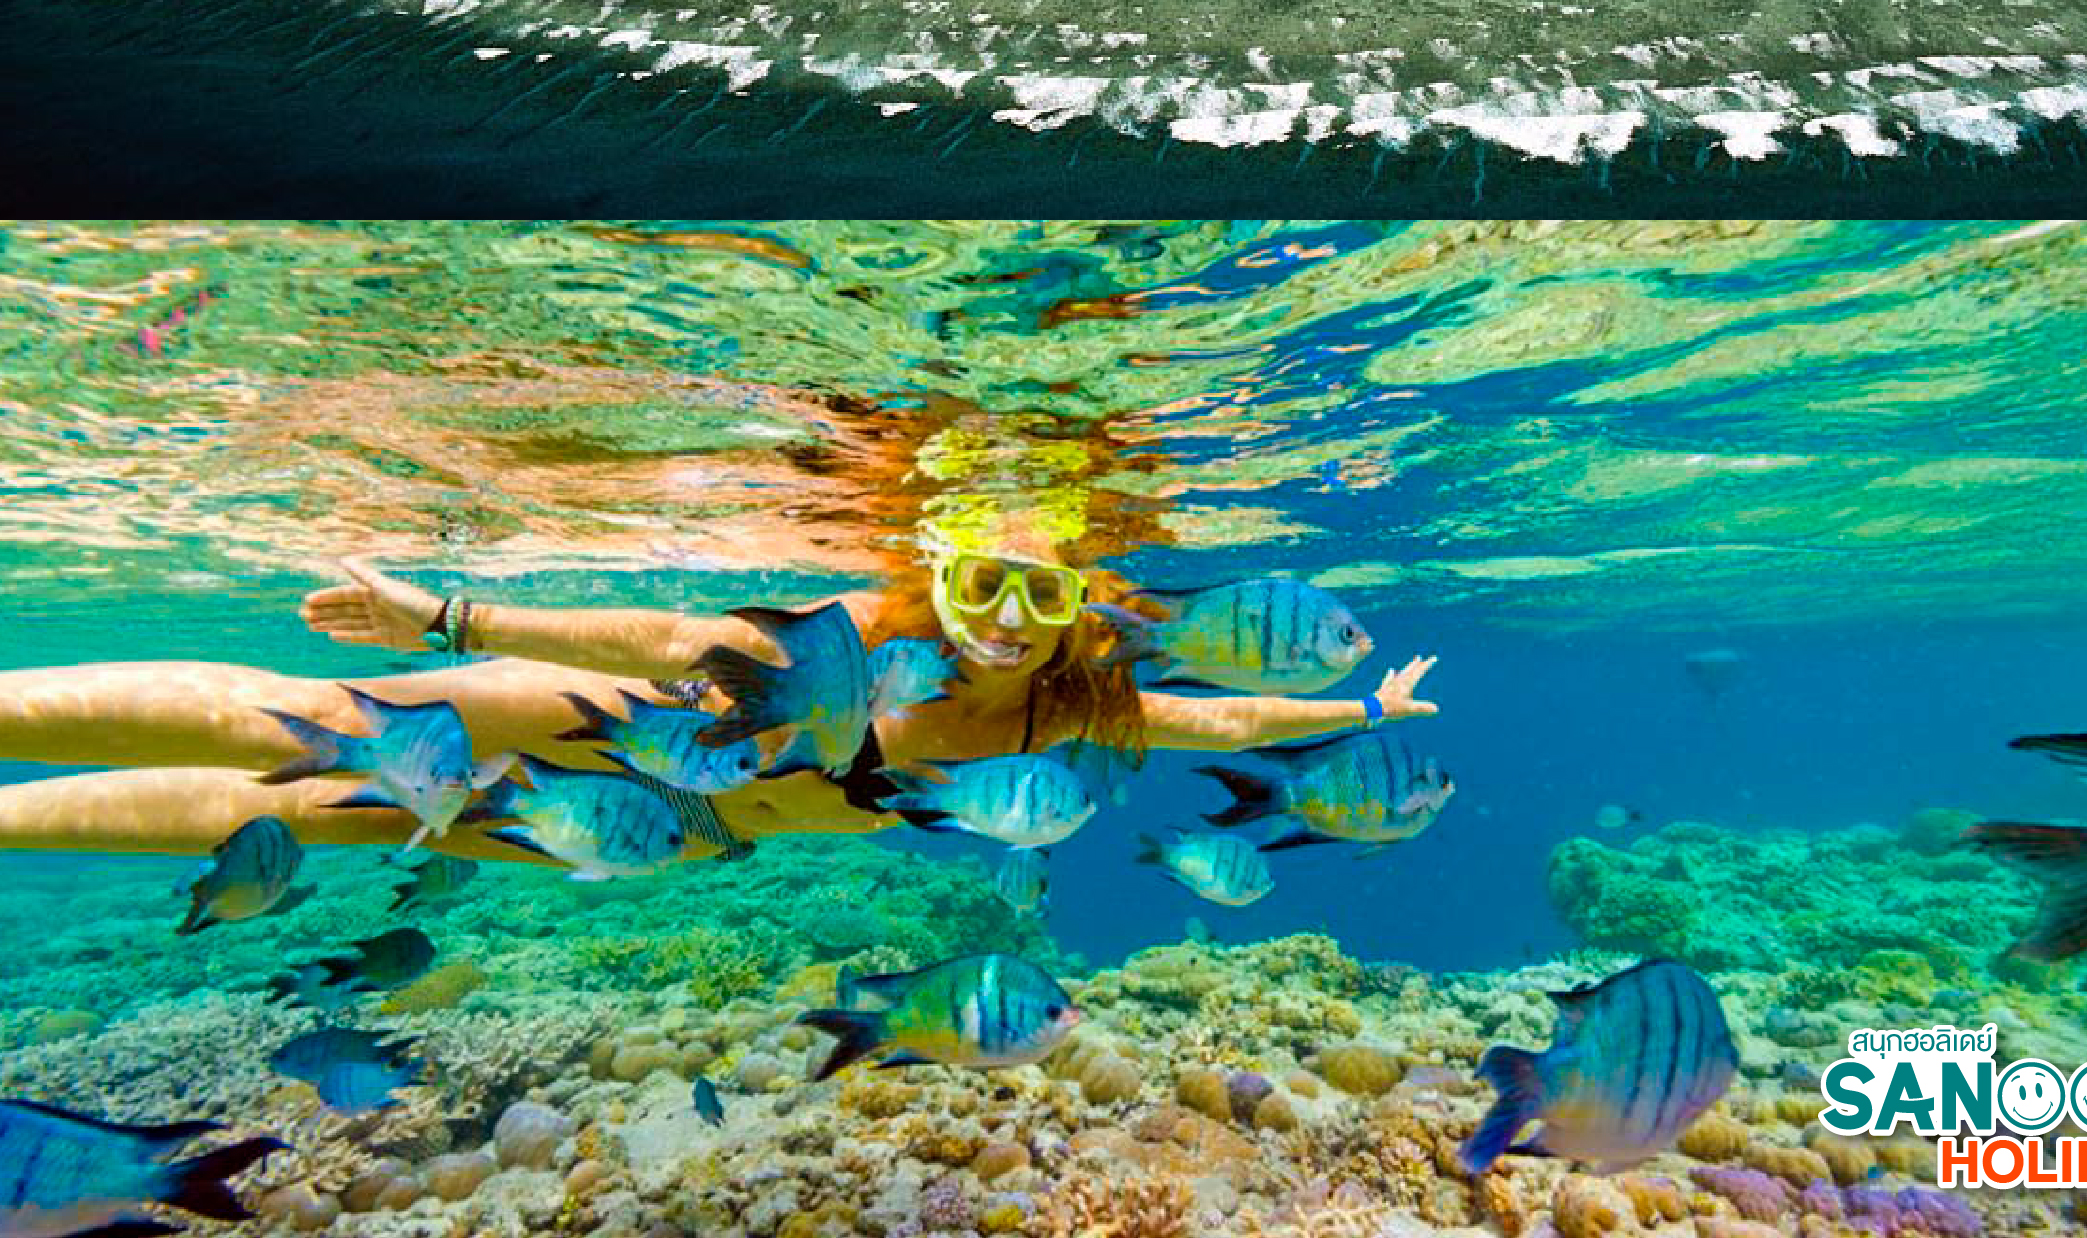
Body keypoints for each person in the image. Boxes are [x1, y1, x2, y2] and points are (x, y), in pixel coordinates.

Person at [0, 498, 1436, 864]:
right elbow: (656, 642)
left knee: (306, 820)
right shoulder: (850, 635)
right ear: (933, 576)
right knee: (298, 725)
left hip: (652, 827)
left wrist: (1362, 714)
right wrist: (441, 614)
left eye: (1042, 590)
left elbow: (1230, 717)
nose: (1003, 616)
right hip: (613, 730)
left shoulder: (1073, 713)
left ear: (1082, 614)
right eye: (977, 581)